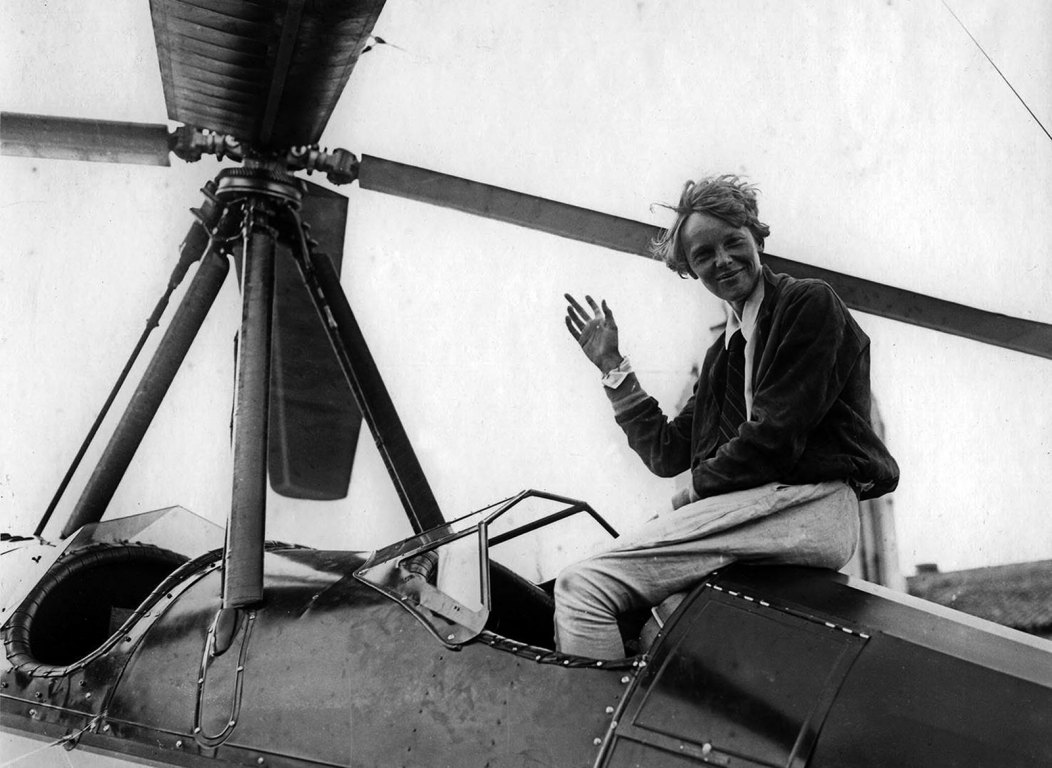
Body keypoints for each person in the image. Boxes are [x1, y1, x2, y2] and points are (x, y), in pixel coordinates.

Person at [557, 174, 899, 659]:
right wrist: (614, 369)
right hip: (766, 507)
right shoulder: (722, 355)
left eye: (733, 242)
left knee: (583, 587)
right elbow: (668, 452)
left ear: (757, 237)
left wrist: (691, 496)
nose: (722, 260)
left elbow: (774, 437)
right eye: (703, 254)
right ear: (690, 269)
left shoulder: (807, 304)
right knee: (652, 622)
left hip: (809, 504)